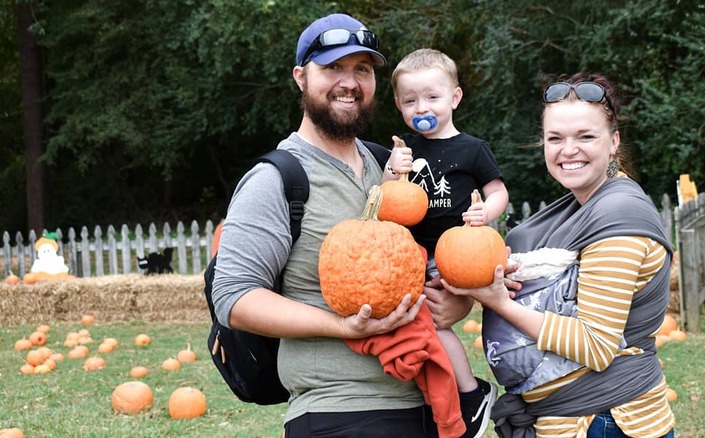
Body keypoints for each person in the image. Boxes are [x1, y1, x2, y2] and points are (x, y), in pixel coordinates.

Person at [211, 14, 448, 438]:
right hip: (337, 412)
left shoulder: (388, 168)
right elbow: (234, 297)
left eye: (362, 69)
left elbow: (416, 267)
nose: (350, 82)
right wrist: (341, 327)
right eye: (333, 67)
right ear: (301, 77)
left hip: (423, 402)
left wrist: (459, 298)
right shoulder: (277, 179)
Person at [441, 73, 676, 437]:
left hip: (605, 420)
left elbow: (596, 344)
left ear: (613, 142)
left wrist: (500, 302)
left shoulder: (617, 216)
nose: (568, 150)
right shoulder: (582, 206)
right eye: (556, 138)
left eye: (585, 136)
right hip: (571, 420)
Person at [383, 48, 510, 438]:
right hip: (411, 254)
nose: (422, 106)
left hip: (456, 253)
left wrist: (486, 214)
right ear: (400, 106)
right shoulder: (403, 148)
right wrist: (392, 170)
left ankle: (470, 392)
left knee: (434, 325)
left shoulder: (471, 148)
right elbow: (386, 198)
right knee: (415, 325)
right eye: (410, 100)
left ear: (454, 98)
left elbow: (498, 191)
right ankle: (438, 391)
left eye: (432, 97)